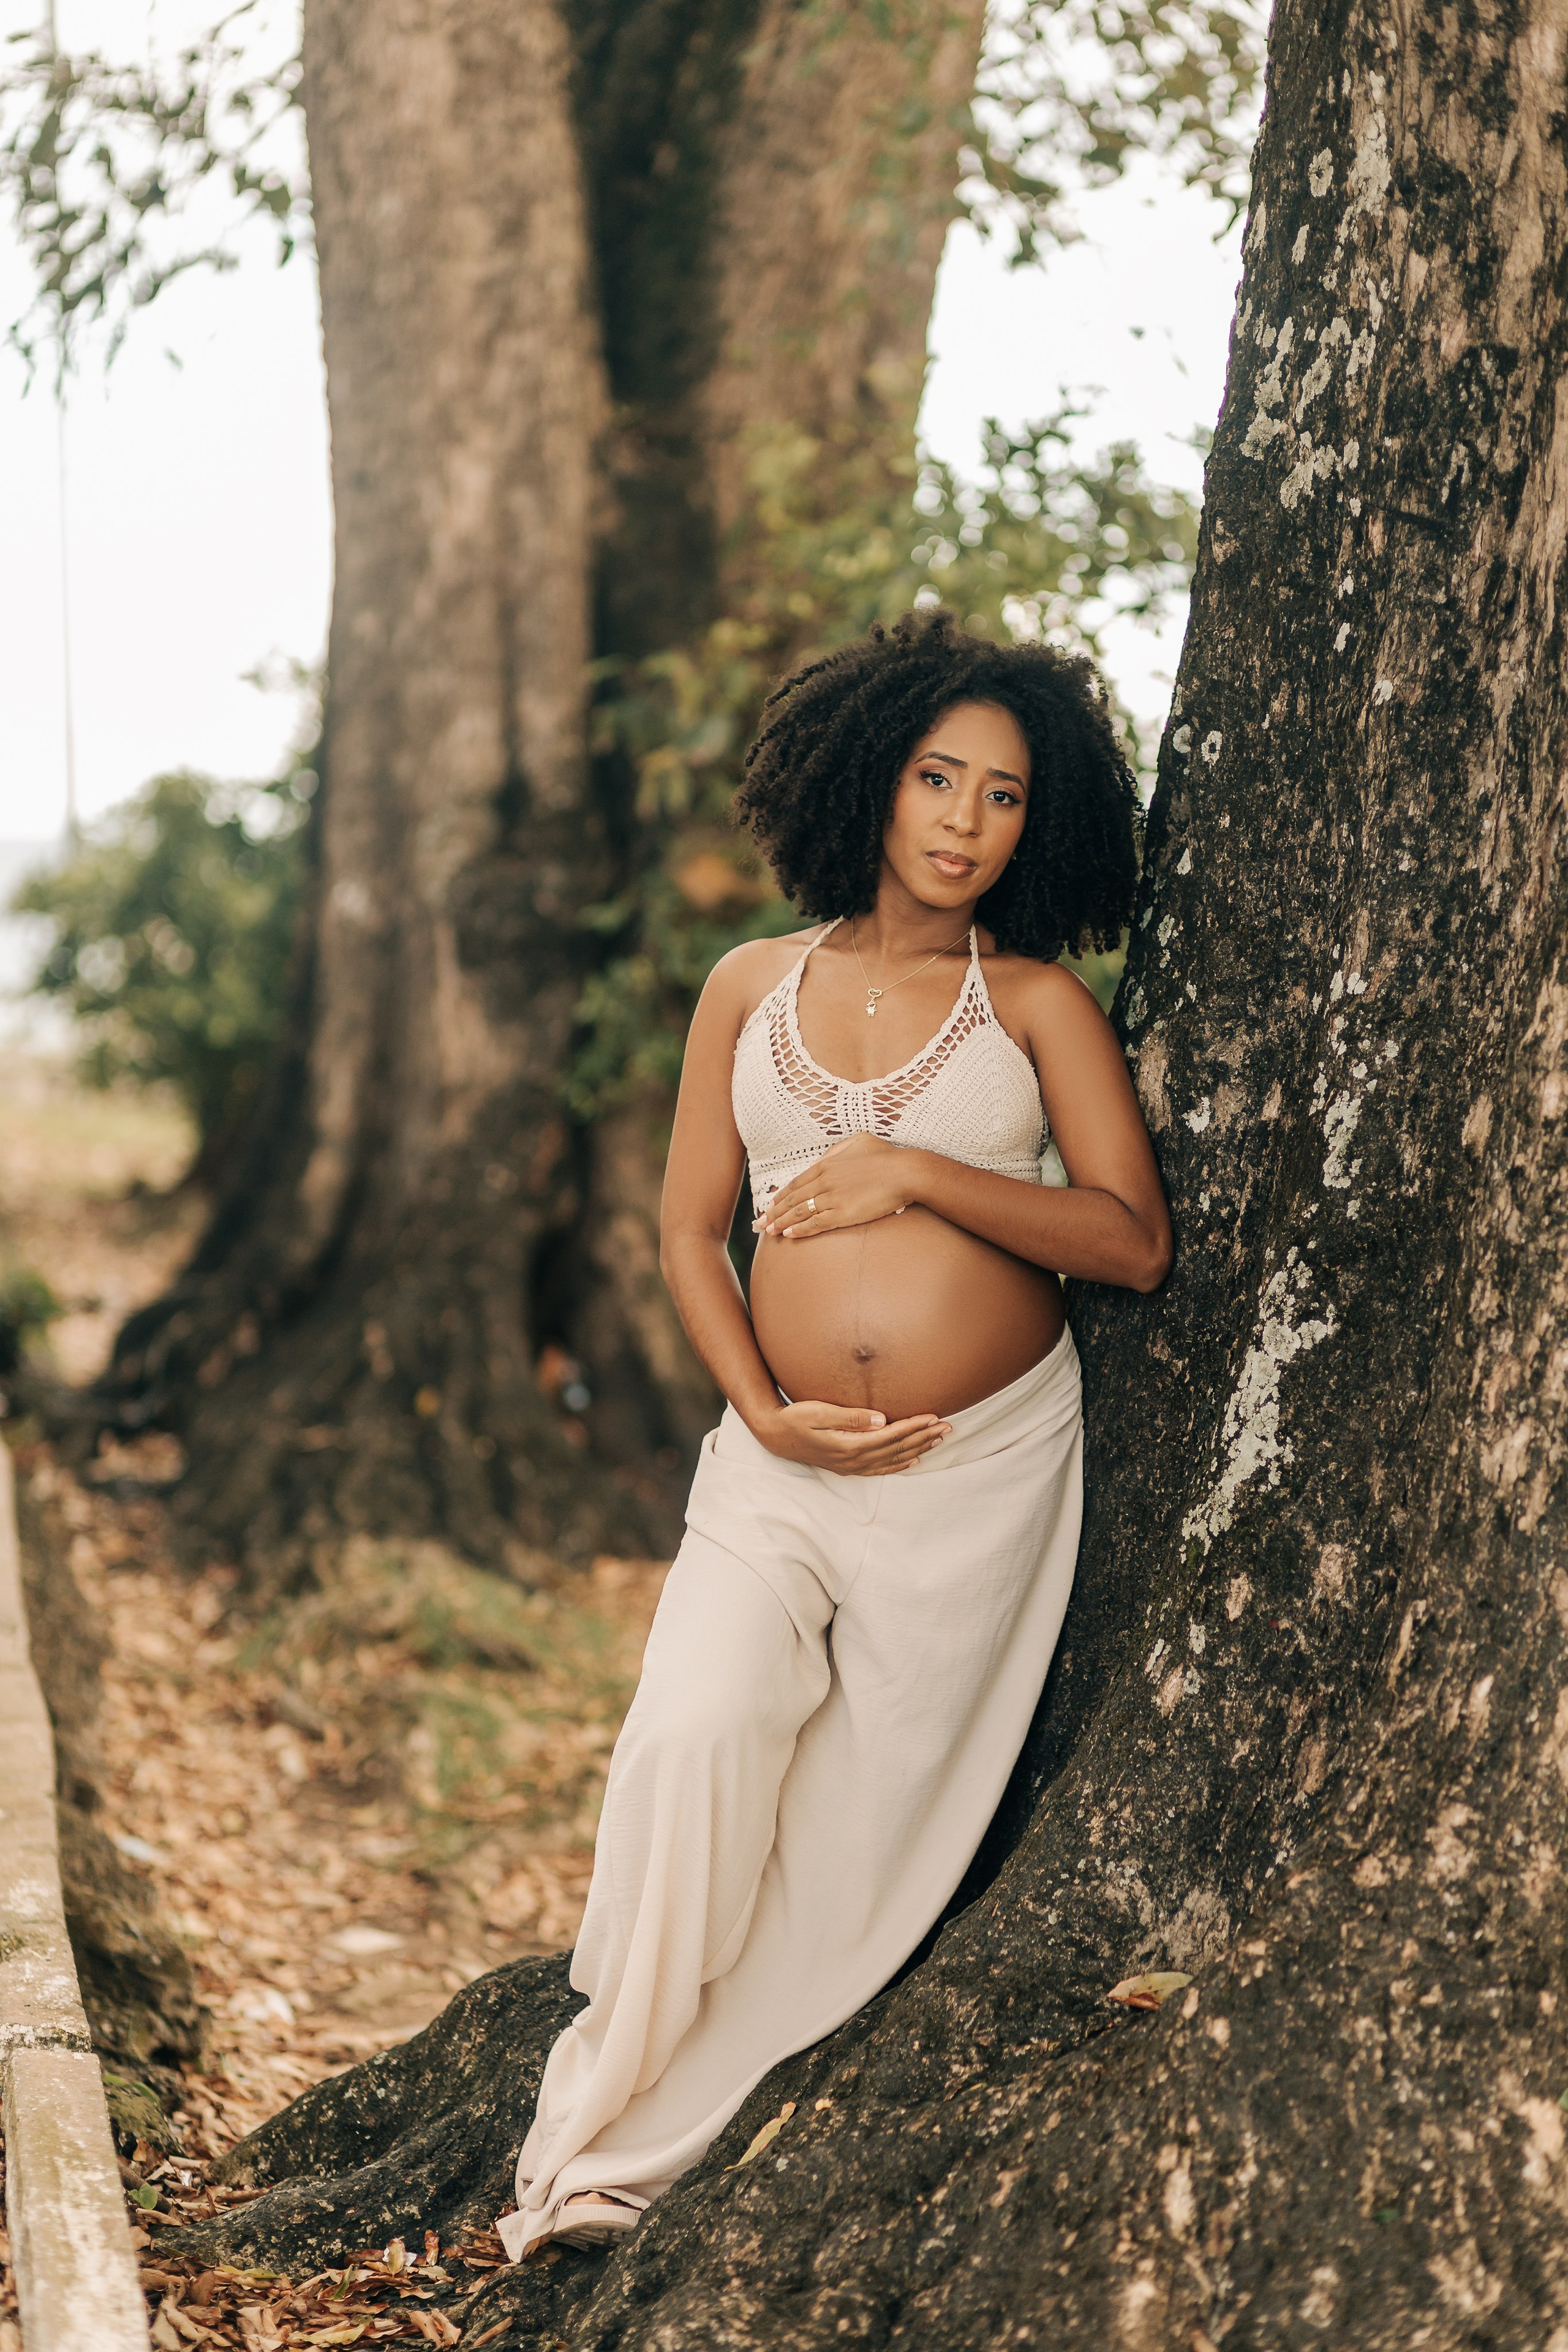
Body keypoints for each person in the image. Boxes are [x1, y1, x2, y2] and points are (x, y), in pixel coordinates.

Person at [496, 608, 1172, 2260]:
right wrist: (761, 1413)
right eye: (937, 777)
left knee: (860, 1846)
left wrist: (924, 1173)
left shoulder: (1036, 1007)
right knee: (695, 1739)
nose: (961, 820)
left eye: (1004, 796)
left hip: (977, 1479)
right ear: (871, 778)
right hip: (775, 1464)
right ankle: (594, 2103)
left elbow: (1131, 1241)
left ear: (1042, 820)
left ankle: (651, 2164)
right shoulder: (749, 987)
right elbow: (683, 1231)